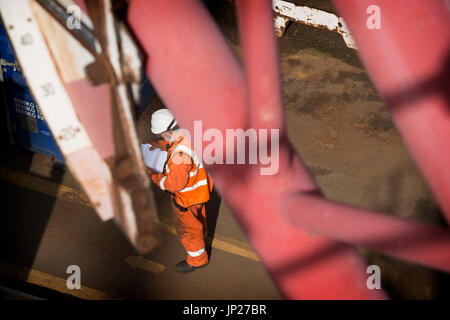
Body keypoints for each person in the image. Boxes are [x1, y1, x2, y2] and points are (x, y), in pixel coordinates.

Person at [148, 108, 213, 273]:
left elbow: (173, 184)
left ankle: (197, 259)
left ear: (168, 131)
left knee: (188, 230)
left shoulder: (179, 157)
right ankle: (202, 239)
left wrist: (153, 176)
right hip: (200, 193)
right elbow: (176, 143)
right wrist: (159, 145)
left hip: (186, 200)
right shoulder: (188, 133)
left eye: (160, 135)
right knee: (199, 221)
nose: (160, 137)